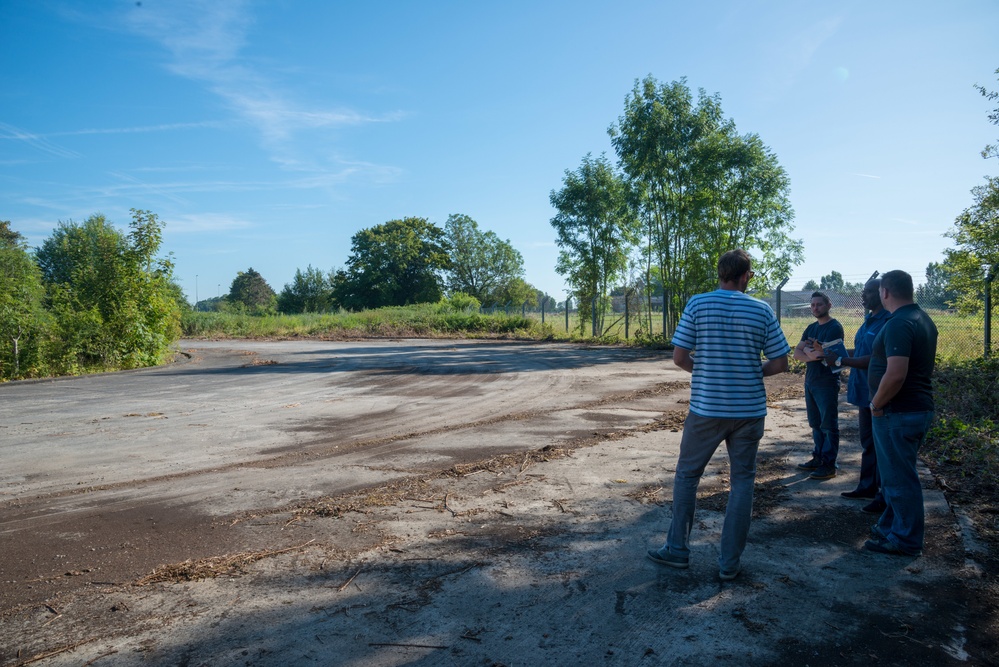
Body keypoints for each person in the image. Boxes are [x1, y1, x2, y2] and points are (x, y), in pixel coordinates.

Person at [647, 249, 789, 581]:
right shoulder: (762, 310)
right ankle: (729, 564)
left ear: (721, 273)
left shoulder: (698, 304)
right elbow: (781, 363)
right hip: (749, 412)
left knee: (686, 477)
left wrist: (708, 371)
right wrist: (749, 373)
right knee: (742, 483)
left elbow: (680, 358)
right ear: (745, 276)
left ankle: (677, 550)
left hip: (706, 410)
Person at [864, 270, 938, 556]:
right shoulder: (921, 318)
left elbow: (895, 375)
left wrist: (877, 404)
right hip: (913, 409)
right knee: (896, 474)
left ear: (884, 292)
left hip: (898, 411)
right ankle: (890, 527)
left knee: (898, 478)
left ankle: (905, 540)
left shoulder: (899, 323)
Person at [825, 279, 891, 514]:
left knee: (881, 445)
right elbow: (862, 352)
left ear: (883, 294)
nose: (864, 296)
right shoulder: (868, 321)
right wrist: (833, 354)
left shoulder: (888, 322)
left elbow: (877, 359)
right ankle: (867, 486)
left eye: (869, 292)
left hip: (878, 392)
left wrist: (842, 361)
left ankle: (884, 494)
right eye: (863, 292)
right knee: (868, 442)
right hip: (863, 391)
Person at [793, 292, 845, 480]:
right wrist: (809, 350)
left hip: (826, 382)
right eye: (812, 305)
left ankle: (829, 464)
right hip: (811, 381)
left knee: (828, 425)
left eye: (819, 305)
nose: (815, 308)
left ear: (829, 305)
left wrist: (807, 350)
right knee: (815, 423)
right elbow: (796, 354)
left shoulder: (834, 327)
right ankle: (818, 457)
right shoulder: (811, 328)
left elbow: (825, 355)